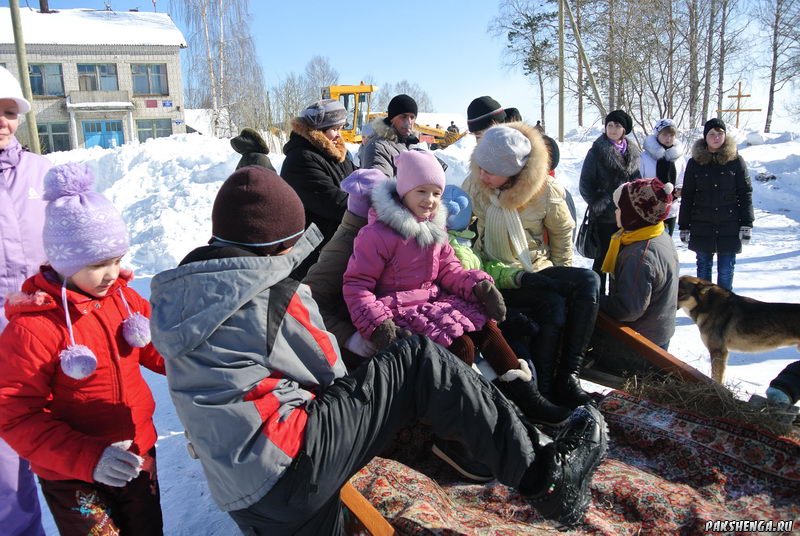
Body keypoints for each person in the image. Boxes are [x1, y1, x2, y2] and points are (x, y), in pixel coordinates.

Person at [148, 165, 608, 533]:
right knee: (416, 360)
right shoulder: (272, 294)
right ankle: (543, 475)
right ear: (278, 244)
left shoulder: (185, 300)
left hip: (243, 495)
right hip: (288, 469)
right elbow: (330, 371)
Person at [343, 151, 571, 426]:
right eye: (422, 191)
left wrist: (477, 287)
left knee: (486, 326)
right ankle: (461, 415)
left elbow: (450, 270)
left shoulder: (435, 231)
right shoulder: (378, 234)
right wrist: (377, 324)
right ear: (404, 191)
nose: (430, 200)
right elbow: (357, 284)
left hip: (431, 302)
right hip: (397, 310)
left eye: (436, 193)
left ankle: (524, 395)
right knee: (461, 344)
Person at [0, 163, 166, 535]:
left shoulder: (124, 300)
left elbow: (162, 351)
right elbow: (14, 415)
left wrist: (202, 357)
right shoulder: (33, 328)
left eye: (117, 260)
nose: (112, 273)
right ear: (64, 261)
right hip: (72, 473)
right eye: (97, 264)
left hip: (136, 451)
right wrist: (89, 458)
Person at [464, 124, 602, 409]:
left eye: (489, 171)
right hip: (497, 273)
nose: (481, 175)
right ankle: (546, 389)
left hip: (536, 266)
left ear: (513, 172)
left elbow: (563, 231)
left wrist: (561, 273)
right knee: (551, 304)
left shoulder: (544, 189)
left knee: (590, 281)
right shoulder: (474, 187)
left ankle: (569, 375)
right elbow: (461, 240)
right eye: (480, 167)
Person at [0, 65, 50, 536]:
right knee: (7, 467)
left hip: (51, 328)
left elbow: (83, 239)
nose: (2, 121)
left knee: (70, 447)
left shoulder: (43, 173)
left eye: (10, 110)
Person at [303, 168, 388, 368]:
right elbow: (305, 304)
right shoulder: (344, 247)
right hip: (347, 355)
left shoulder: (373, 238)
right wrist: (348, 337)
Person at [280, 99, 357, 279]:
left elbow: (360, 179)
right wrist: (377, 207)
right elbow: (334, 203)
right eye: (335, 129)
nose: (339, 135)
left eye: (340, 128)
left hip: (335, 245)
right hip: (312, 252)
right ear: (318, 130)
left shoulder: (336, 155)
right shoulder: (300, 160)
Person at [600, 178, 679, 350]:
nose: (615, 212)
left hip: (642, 342)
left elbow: (629, 309)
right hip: (656, 332)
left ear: (633, 216)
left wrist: (596, 301)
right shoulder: (657, 233)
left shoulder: (640, 255)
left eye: (620, 208)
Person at [678, 118, 753, 291]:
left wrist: (746, 224)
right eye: (712, 134)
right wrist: (684, 225)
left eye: (720, 133)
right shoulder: (695, 163)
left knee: (726, 270)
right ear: (705, 137)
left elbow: (745, 193)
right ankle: (705, 309)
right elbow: (688, 196)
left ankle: (724, 311)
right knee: (703, 268)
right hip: (702, 225)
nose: (716, 137)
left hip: (729, 225)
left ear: (725, 136)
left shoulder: (736, 161)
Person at [579, 109, 641, 292]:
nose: (613, 129)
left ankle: (616, 300)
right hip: (605, 218)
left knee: (622, 261)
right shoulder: (596, 152)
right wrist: (601, 203)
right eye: (610, 125)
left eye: (618, 126)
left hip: (627, 218)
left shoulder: (633, 153)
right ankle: (595, 301)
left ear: (625, 130)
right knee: (603, 260)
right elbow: (585, 184)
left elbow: (638, 182)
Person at [639, 119, 685, 236]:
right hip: (649, 207)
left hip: (671, 208)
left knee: (667, 244)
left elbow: (681, 178)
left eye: (671, 135)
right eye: (664, 134)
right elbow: (638, 180)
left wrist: (679, 190)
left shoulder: (679, 158)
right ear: (657, 135)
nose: (668, 138)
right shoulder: (644, 157)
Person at [361, 94, 420, 177]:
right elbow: (378, 187)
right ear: (392, 118)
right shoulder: (378, 147)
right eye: (403, 116)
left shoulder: (411, 145)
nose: (409, 122)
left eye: (412, 117)